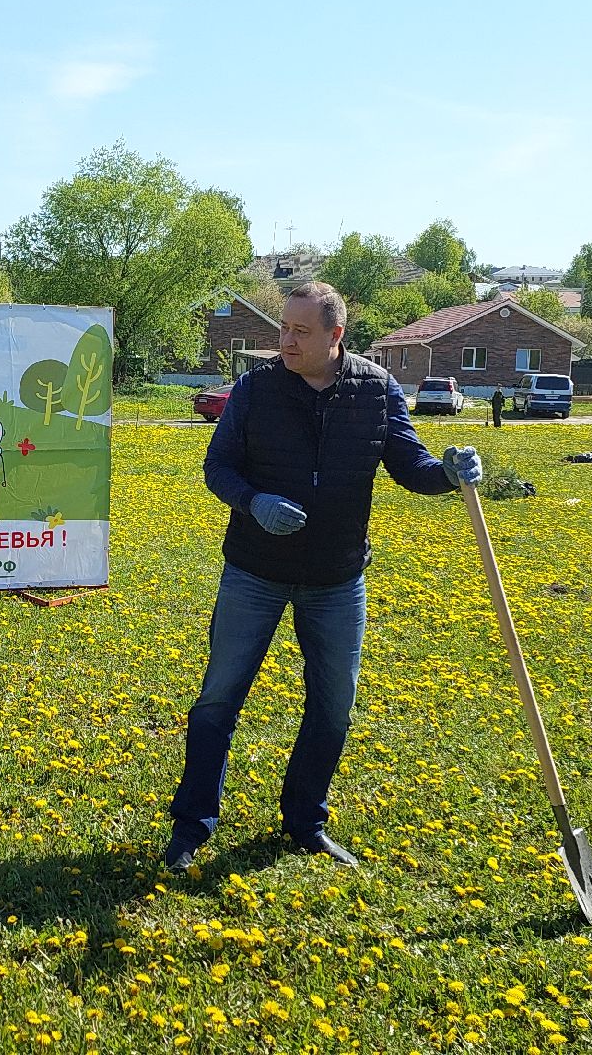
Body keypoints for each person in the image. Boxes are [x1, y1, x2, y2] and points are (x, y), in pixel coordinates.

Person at [164, 282, 483, 872]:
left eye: (300, 331)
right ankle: (192, 826)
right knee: (218, 698)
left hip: (337, 579)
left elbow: (409, 466)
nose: (285, 340)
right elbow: (219, 467)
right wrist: (253, 501)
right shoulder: (256, 388)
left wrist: (446, 471)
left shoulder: (375, 389)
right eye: (283, 328)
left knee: (333, 705)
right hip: (255, 571)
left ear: (335, 335)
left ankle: (304, 820)